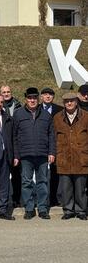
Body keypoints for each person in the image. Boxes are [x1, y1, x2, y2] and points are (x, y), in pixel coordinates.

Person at [13, 87, 56, 220]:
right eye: (29, 98)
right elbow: (14, 136)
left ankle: (42, 208)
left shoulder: (46, 115)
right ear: (26, 99)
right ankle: (29, 208)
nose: (32, 100)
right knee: (26, 182)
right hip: (25, 155)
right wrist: (16, 154)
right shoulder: (18, 114)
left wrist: (51, 152)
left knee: (42, 181)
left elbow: (51, 136)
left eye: (34, 98)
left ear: (38, 99)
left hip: (42, 154)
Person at [53, 92, 88, 220]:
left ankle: (81, 210)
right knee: (66, 187)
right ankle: (68, 210)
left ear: (76, 102)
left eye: (72, 101)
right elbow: (53, 137)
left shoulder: (86, 116)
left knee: (80, 188)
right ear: (63, 103)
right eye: (67, 101)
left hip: (81, 157)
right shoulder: (57, 118)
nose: (69, 103)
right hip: (64, 157)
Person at [40, 87, 63, 207]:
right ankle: (42, 200)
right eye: (45, 94)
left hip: (56, 145)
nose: (48, 96)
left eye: (50, 94)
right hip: (40, 145)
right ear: (41, 97)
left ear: (53, 97)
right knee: (41, 174)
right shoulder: (36, 109)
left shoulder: (60, 110)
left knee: (55, 173)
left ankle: (55, 199)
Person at [0, 85, 22, 207]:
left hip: (15, 144)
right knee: (2, 175)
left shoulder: (18, 106)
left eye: (8, 91)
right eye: (4, 92)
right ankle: (1, 200)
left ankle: (16, 199)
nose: (6, 94)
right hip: (2, 145)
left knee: (16, 175)